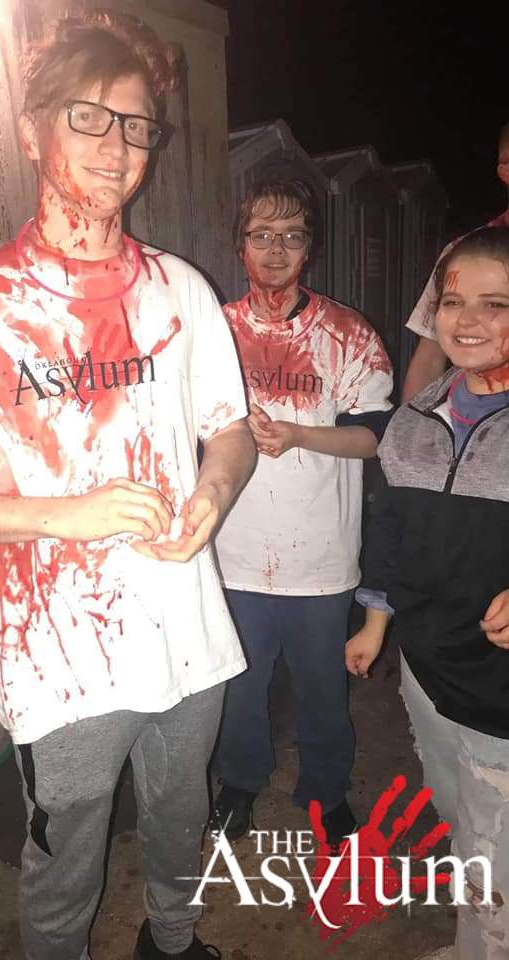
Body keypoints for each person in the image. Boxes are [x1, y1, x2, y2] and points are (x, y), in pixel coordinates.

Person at [0, 11, 256, 960]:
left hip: (190, 632)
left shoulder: (181, 290)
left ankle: (172, 941)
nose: (118, 147)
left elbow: (232, 433)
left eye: (137, 126)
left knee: (180, 816)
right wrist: (69, 517)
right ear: (31, 131)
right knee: (65, 854)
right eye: (90, 117)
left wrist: (213, 496)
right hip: (62, 661)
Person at [210, 178, 393, 845]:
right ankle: (239, 781)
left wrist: (297, 435)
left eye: (291, 235)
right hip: (231, 552)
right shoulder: (213, 331)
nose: (275, 249)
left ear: (309, 247)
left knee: (322, 687)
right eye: (261, 234)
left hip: (321, 555)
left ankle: (326, 789)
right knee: (239, 683)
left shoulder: (348, 334)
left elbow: (374, 437)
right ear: (240, 245)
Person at [347, 226, 509, 960]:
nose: (467, 320)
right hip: (426, 667)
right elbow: (390, 531)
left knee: (494, 856)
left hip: (501, 689)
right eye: (452, 301)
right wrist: (376, 623)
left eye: (495, 304)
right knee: (461, 822)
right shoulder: (415, 421)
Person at [401, 121, 509, 401]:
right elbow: (429, 358)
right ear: (504, 170)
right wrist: (412, 422)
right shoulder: (462, 253)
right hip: (475, 416)